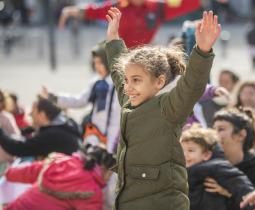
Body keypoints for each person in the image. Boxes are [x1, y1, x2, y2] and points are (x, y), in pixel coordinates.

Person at [104, 7, 220, 210]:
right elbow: (117, 74)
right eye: (128, 80)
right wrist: (113, 39)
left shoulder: (169, 108)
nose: (128, 87)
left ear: (159, 82)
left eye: (137, 80)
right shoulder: (130, 101)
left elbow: (191, 86)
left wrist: (202, 51)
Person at [41, 42, 120, 154]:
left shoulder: (118, 83)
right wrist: (53, 97)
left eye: (100, 62)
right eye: (95, 62)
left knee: (110, 166)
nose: (97, 66)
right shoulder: (96, 82)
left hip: (114, 135)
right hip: (95, 134)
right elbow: (80, 101)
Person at [4, 143, 116, 210]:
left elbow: (30, 171)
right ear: (103, 169)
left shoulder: (62, 161)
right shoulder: (91, 191)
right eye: (111, 173)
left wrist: (8, 173)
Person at [59, 0, 202, 48]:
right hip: (122, 57)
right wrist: (71, 11)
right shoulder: (119, 6)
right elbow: (93, 11)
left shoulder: (158, 7)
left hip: (148, 57)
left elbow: (188, 3)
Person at [180, 124, 254, 210]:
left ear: (206, 155)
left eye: (191, 150)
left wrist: (230, 195)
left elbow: (242, 188)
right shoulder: (178, 174)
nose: (184, 155)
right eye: (181, 151)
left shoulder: (217, 168)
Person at [0, 97, 80, 158]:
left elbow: (18, 148)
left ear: (42, 115)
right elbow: (31, 129)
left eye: (33, 111)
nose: (30, 114)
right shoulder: (64, 122)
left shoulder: (51, 135)